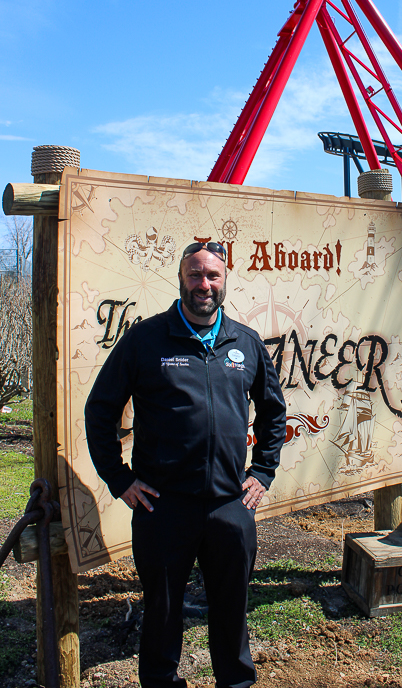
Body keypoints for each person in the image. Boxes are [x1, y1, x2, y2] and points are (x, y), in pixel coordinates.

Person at [85, 240, 287, 688]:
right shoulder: (146, 339)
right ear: (181, 279)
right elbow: (100, 410)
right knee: (162, 611)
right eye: (195, 274)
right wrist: (120, 479)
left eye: (212, 276)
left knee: (232, 608)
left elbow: (273, 412)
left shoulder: (245, 343)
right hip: (163, 506)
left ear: (225, 282)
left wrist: (263, 471)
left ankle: (235, 683)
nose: (204, 284)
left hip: (229, 506)